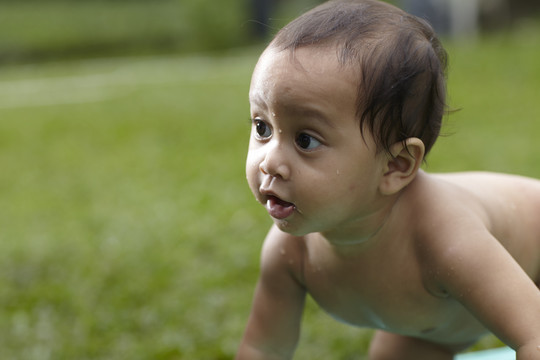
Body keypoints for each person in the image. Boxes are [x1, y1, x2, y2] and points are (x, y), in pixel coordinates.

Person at [237, 0, 540, 359]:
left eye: (306, 140)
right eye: (263, 128)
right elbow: (262, 348)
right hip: (435, 324)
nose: (270, 161)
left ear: (395, 166)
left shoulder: (444, 236)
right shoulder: (289, 253)